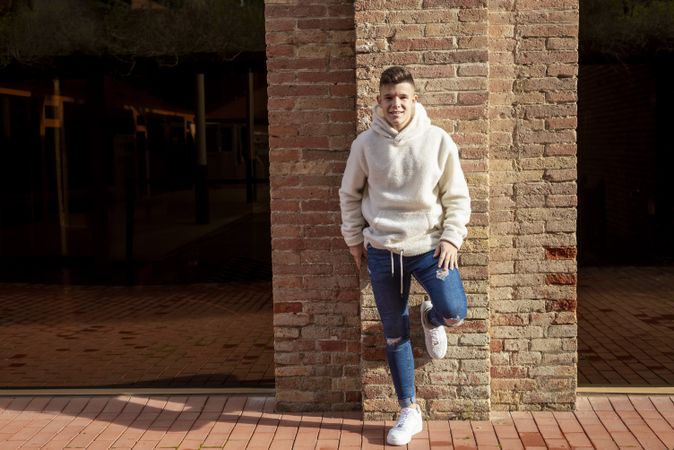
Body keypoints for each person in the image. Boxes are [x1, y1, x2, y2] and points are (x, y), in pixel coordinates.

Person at [339, 66, 471, 446]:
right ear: (379, 102)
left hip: (430, 249)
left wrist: (452, 238)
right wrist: (353, 239)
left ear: (414, 100)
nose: (395, 104)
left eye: (402, 97)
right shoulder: (365, 144)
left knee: (455, 312)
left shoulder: (437, 140)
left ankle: (432, 318)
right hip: (383, 252)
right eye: (388, 98)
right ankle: (408, 410)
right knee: (395, 335)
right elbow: (349, 194)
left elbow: (457, 196)